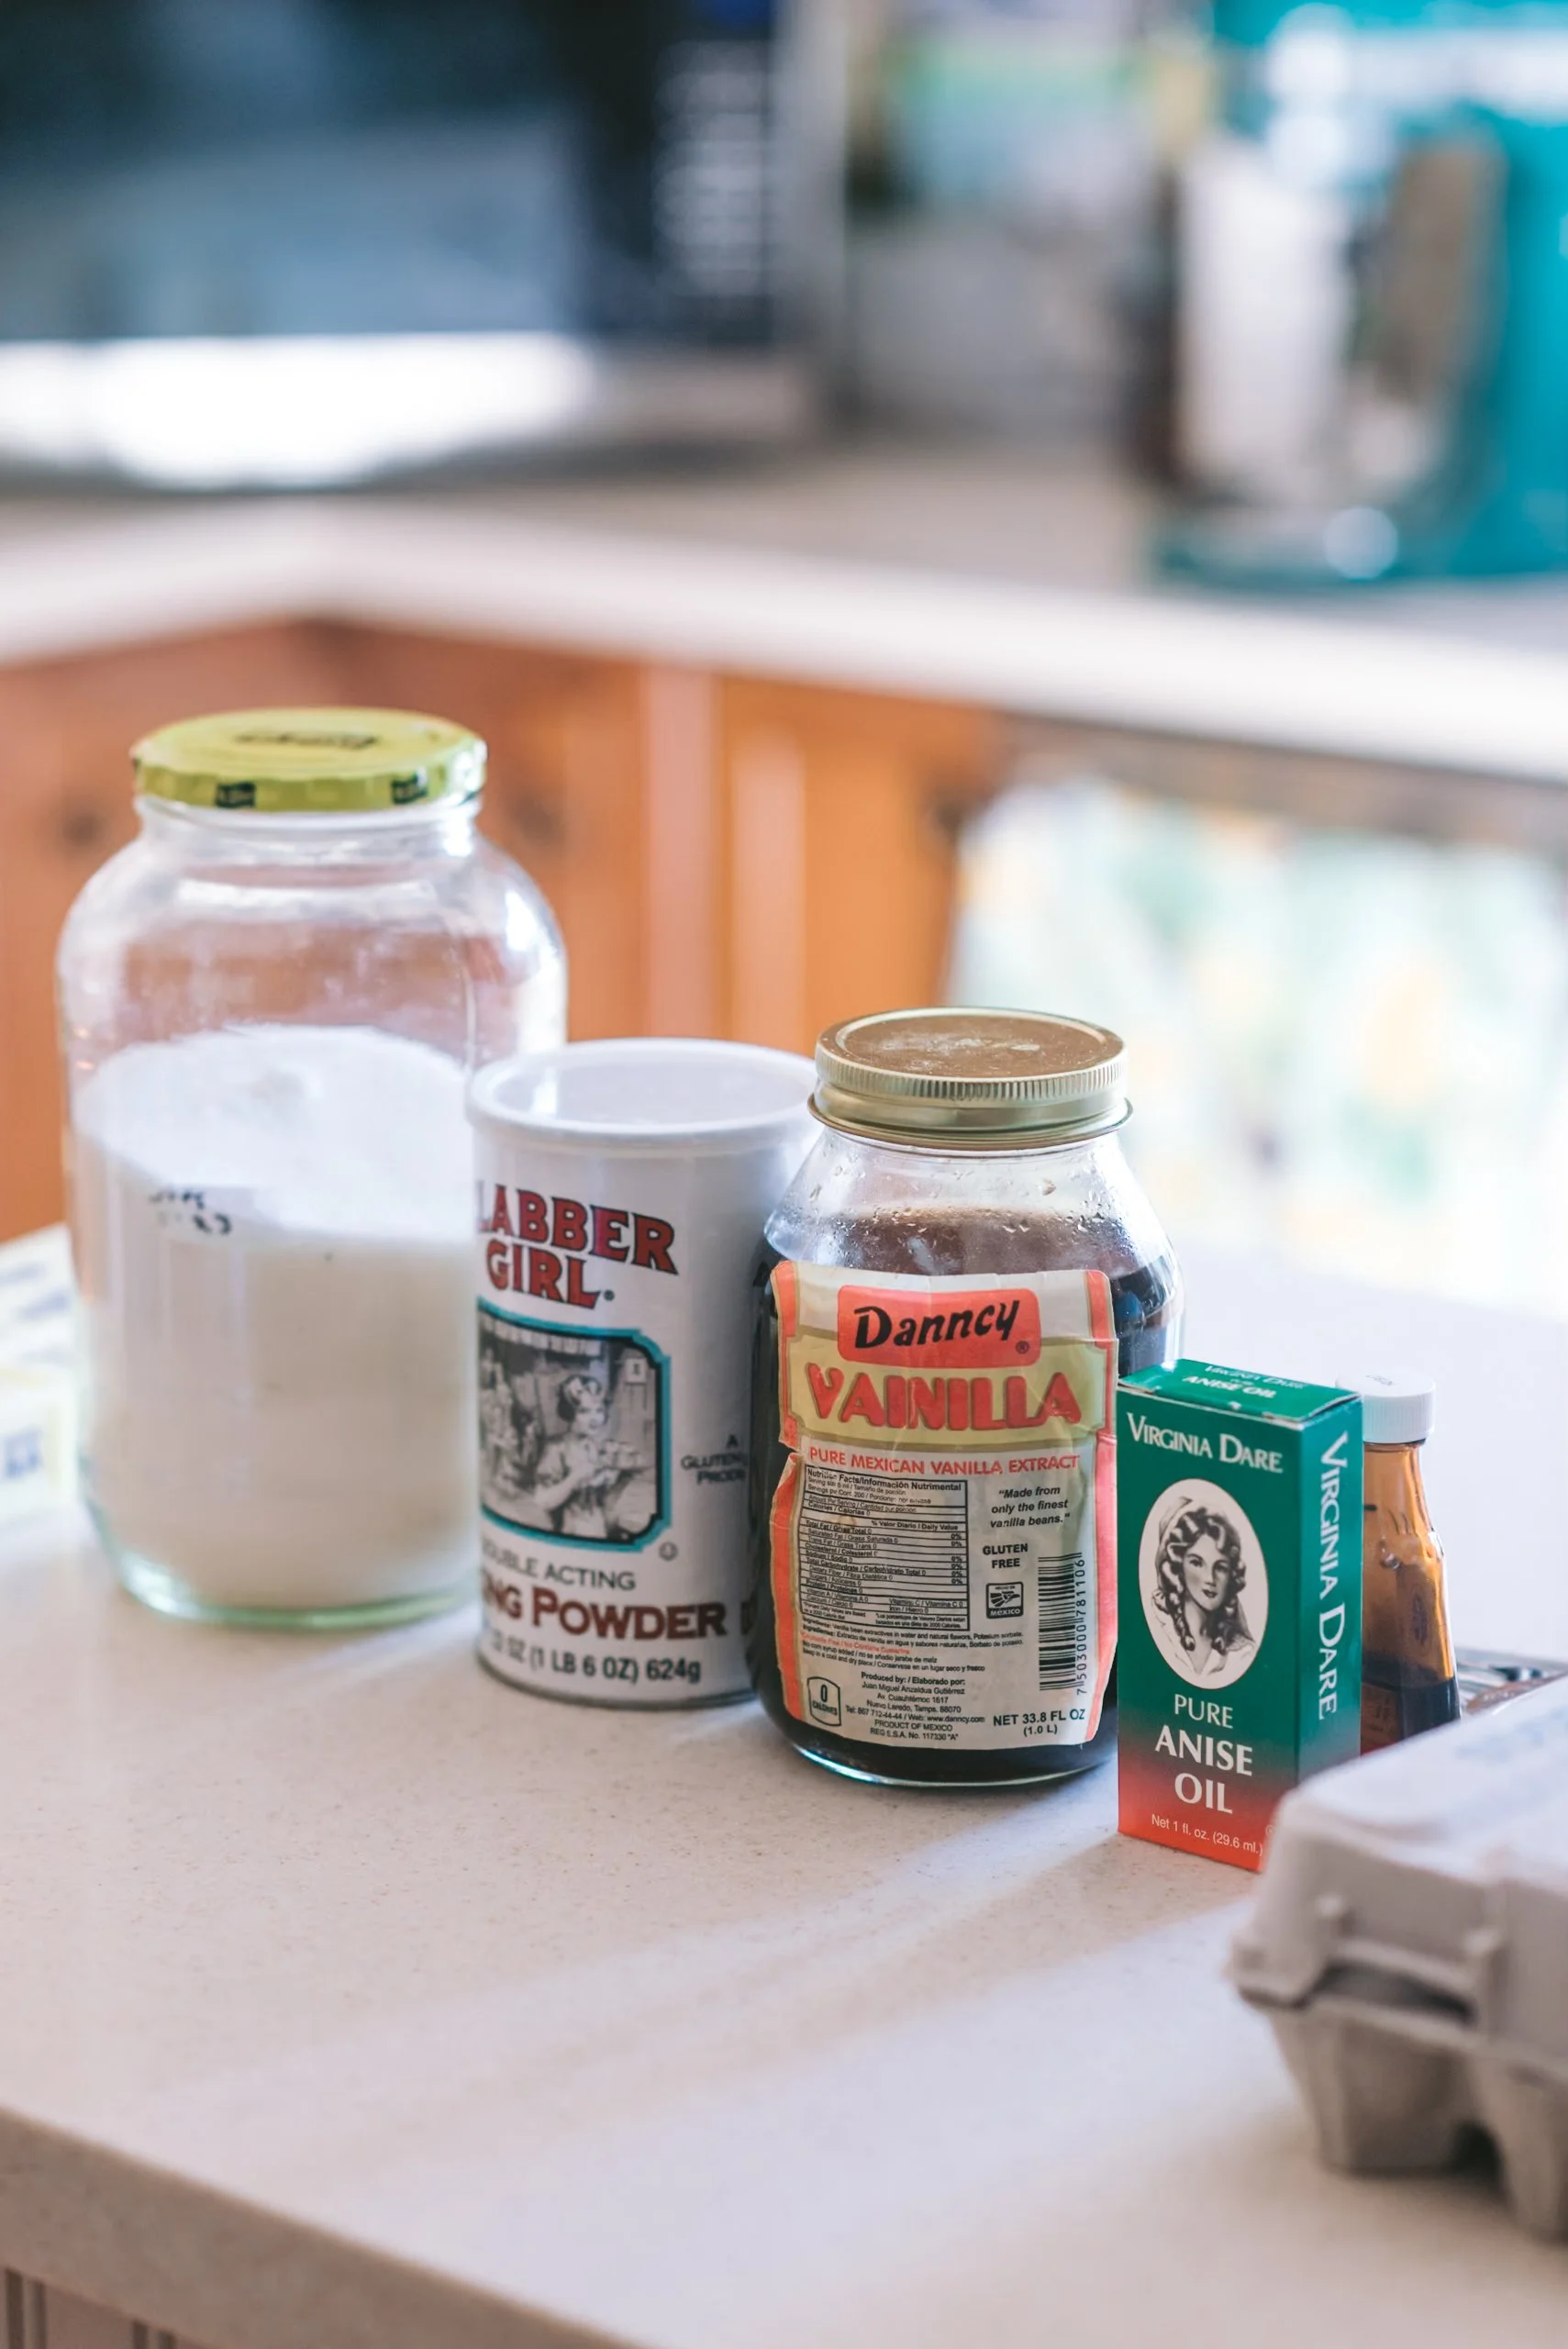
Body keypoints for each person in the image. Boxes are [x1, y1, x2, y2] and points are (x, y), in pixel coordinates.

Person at [525, 1372, 646, 1541]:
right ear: (569, 1413)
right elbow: (542, 1501)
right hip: (570, 1535)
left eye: (599, 1411)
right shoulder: (557, 1449)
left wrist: (622, 1477)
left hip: (598, 1529)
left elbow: (604, 1503)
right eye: (584, 1411)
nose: (594, 1419)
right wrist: (575, 1478)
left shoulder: (594, 1448)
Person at [1151, 1499, 1254, 1682]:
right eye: (1197, 1563)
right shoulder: (1157, 1623)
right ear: (1178, 1566)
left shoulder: (1242, 1653)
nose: (1210, 1579)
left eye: (1220, 1567)